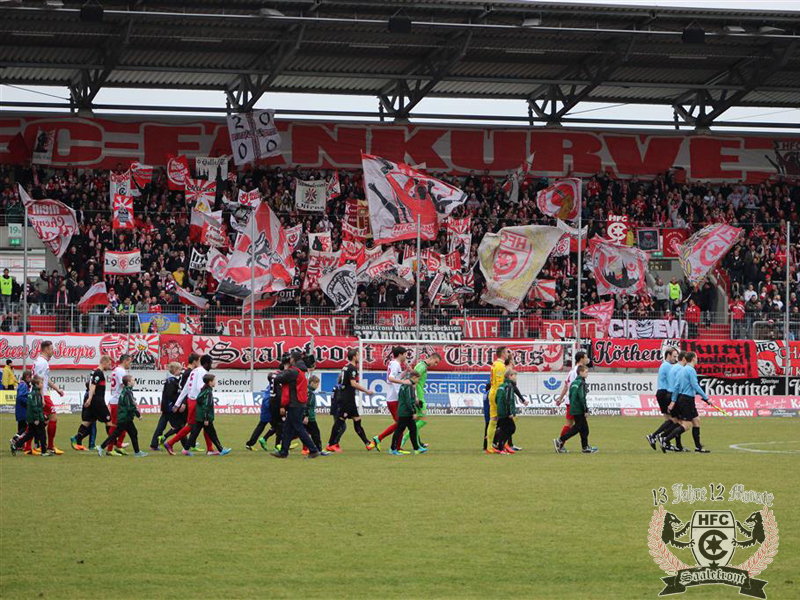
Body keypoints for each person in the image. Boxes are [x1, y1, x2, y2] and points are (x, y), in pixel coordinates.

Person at [660, 352, 712, 453]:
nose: (697, 359)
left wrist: (674, 401)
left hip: (684, 399)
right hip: (687, 400)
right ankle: (665, 440)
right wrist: (706, 398)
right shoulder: (690, 370)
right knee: (686, 425)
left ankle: (698, 447)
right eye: (696, 358)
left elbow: (676, 386)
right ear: (693, 359)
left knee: (696, 420)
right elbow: (695, 385)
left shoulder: (682, 370)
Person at [325, 348, 375, 452]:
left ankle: (367, 443)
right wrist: (366, 390)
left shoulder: (345, 367)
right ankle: (330, 444)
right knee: (339, 422)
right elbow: (353, 384)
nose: (359, 357)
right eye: (358, 355)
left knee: (357, 420)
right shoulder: (352, 368)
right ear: (353, 357)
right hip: (346, 399)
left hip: (348, 399)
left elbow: (341, 381)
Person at [272, 353, 321, 458]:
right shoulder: (299, 370)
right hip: (297, 402)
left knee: (298, 427)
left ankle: (313, 450)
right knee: (288, 428)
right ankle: (284, 451)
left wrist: (285, 368)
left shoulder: (293, 371)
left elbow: (278, 378)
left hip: (295, 403)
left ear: (293, 359)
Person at [164, 354, 214, 455]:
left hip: (191, 401)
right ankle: (171, 443)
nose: (211, 366)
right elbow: (200, 387)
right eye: (211, 363)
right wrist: (207, 392)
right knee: (198, 425)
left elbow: (186, 388)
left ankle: (210, 449)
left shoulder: (194, 371)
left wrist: (178, 403)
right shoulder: (202, 372)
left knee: (200, 425)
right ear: (207, 363)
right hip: (197, 401)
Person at [369, 346, 411, 452]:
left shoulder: (394, 363)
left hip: (395, 398)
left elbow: (396, 377)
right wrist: (404, 382)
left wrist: (406, 371)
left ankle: (397, 447)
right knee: (400, 423)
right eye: (405, 354)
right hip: (393, 399)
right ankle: (379, 438)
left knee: (401, 424)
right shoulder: (396, 364)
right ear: (400, 354)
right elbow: (391, 378)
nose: (406, 356)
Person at [97, 375, 147, 457]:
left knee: (128, 433)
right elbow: (130, 406)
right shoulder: (128, 392)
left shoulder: (125, 391)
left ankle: (101, 447)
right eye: (133, 380)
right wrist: (138, 415)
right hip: (125, 418)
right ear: (128, 382)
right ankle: (137, 452)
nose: (134, 381)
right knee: (127, 433)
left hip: (124, 417)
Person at [71, 355, 112, 451]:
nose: (109, 366)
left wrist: (89, 399)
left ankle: (76, 439)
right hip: (97, 400)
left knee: (87, 421)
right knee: (108, 421)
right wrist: (89, 399)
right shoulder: (98, 372)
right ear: (104, 362)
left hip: (94, 400)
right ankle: (113, 443)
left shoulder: (95, 371)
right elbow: (93, 385)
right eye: (109, 364)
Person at [158, 353, 198, 451]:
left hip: (180, 404)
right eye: (179, 370)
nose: (180, 372)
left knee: (181, 425)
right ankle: (188, 444)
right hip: (182, 404)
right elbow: (184, 389)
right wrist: (181, 403)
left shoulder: (183, 375)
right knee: (185, 425)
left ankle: (187, 444)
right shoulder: (187, 374)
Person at [553, 365, 597, 454]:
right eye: (586, 372)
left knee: (584, 428)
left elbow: (571, 395)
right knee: (578, 427)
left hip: (574, 407)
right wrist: (585, 410)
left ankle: (585, 447)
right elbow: (582, 397)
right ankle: (560, 440)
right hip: (579, 409)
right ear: (580, 372)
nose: (587, 374)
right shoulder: (581, 383)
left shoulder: (574, 383)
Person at [401, 352, 441, 449]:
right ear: (431, 358)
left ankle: (418, 444)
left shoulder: (422, 365)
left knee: (416, 422)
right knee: (423, 420)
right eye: (435, 362)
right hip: (419, 396)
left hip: (419, 394)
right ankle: (404, 439)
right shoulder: (422, 367)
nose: (435, 365)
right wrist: (415, 397)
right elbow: (413, 380)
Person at [185, 374, 231, 456]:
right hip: (205, 418)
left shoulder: (204, 390)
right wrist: (206, 418)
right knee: (212, 434)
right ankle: (221, 450)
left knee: (195, 433)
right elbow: (206, 405)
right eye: (214, 381)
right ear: (210, 382)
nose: (215, 382)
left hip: (199, 416)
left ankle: (186, 449)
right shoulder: (208, 392)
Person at [33, 340, 66, 455]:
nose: (53, 351)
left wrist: (57, 389)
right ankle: (50, 447)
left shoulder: (40, 361)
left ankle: (22, 442)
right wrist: (42, 397)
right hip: (42, 395)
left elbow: (45, 380)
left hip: (40, 394)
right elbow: (40, 382)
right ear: (46, 349)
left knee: (42, 421)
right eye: (51, 349)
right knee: (53, 418)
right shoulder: (43, 363)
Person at [646, 348, 679, 450]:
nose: (676, 359)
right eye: (674, 356)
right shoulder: (668, 366)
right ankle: (657, 436)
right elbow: (673, 380)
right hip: (665, 393)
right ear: (668, 355)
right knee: (675, 420)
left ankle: (665, 441)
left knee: (669, 419)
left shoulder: (664, 365)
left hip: (661, 392)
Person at [148, 362, 184, 451]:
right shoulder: (172, 381)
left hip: (166, 407)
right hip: (170, 408)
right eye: (179, 370)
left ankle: (154, 444)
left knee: (162, 426)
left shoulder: (170, 380)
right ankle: (186, 445)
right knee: (178, 426)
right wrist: (176, 404)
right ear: (175, 370)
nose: (180, 371)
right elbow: (170, 395)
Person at [389, 370, 427, 456]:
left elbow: (408, 398)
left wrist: (417, 403)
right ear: (414, 377)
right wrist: (413, 411)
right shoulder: (409, 385)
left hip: (405, 411)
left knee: (413, 429)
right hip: (405, 412)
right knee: (399, 430)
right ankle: (392, 449)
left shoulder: (405, 384)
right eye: (418, 379)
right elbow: (408, 400)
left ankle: (416, 448)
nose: (418, 381)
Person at [10, 375, 49, 456]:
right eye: (41, 383)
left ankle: (16, 445)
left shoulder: (34, 393)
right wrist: (37, 418)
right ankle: (44, 452)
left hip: (32, 418)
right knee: (42, 434)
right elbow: (35, 407)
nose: (42, 385)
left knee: (29, 434)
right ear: (37, 385)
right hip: (36, 418)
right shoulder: (35, 394)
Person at [107, 354, 132, 454]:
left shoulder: (116, 370)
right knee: (115, 425)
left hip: (117, 400)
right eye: (129, 361)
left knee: (123, 424)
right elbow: (125, 383)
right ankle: (110, 449)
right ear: (125, 361)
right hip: (117, 401)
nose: (130, 363)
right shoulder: (121, 371)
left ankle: (118, 445)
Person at [484, 347, 508, 454]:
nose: (508, 354)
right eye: (507, 352)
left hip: (492, 392)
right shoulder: (500, 366)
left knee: (493, 420)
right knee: (504, 420)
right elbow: (499, 382)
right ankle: (501, 446)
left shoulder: (494, 364)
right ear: (503, 354)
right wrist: (502, 396)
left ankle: (490, 447)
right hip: (497, 394)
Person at [494, 370, 519, 455]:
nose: (515, 377)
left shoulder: (501, 386)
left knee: (504, 428)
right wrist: (509, 413)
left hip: (501, 411)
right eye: (514, 375)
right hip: (505, 412)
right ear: (510, 376)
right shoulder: (509, 386)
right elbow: (508, 400)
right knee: (511, 428)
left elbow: (496, 399)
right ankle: (501, 447)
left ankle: (499, 445)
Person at [302, 374, 324, 455]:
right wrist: (306, 416)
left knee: (298, 433)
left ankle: (283, 444)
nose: (318, 385)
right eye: (317, 383)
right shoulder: (310, 393)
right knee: (316, 433)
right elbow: (307, 404)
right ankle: (319, 450)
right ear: (312, 383)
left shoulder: (306, 390)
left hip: (304, 416)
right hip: (310, 417)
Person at [14, 370, 31, 438]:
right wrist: (29, 402)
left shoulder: (23, 384)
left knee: (22, 428)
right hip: (22, 410)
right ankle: (15, 440)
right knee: (23, 428)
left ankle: (19, 444)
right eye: (30, 377)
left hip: (21, 409)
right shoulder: (23, 385)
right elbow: (21, 397)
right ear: (27, 377)